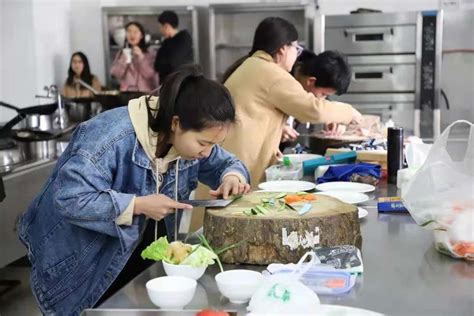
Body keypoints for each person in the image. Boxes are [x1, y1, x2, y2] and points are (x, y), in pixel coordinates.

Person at [17, 65, 250, 315]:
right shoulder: (111, 137)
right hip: (79, 263)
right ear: (175, 123)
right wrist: (137, 205)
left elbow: (226, 162)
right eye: (203, 143)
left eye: (213, 144)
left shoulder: (187, 137)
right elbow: (69, 199)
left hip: (129, 260)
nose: (207, 152)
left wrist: (232, 177)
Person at [219, 17, 362, 187]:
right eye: (296, 48)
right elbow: (312, 109)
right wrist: (349, 112)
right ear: (282, 49)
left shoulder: (252, 65)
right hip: (237, 166)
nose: (297, 54)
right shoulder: (271, 73)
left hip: (229, 161)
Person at [281, 49, 354, 143]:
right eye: (324, 94)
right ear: (311, 81)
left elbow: (320, 99)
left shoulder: (315, 71)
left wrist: (332, 118)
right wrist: (277, 128)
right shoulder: (281, 78)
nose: (323, 99)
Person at [111, 22, 158, 92]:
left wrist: (141, 57)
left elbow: (150, 74)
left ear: (141, 35)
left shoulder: (150, 52)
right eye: (129, 31)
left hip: (145, 92)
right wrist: (123, 60)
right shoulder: (121, 52)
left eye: (135, 32)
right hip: (127, 92)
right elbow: (116, 74)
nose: (132, 34)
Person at [154, 10, 194, 83]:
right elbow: (157, 65)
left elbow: (173, 64)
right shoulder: (166, 41)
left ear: (166, 26)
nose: (160, 30)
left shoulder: (183, 39)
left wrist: (163, 63)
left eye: (160, 27)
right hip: (167, 84)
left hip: (180, 85)